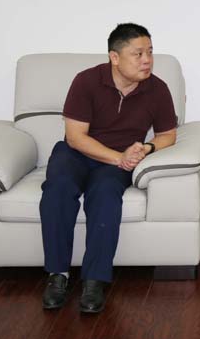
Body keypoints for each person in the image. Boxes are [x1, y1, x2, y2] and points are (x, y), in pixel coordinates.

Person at [40, 23, 177, 313]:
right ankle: (58, 274)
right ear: (114, 57)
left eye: (150, 52)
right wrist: (118, 158)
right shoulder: (86, 81)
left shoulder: (157, 89)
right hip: (77, 153)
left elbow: (168, 135)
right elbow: (75, 137)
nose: (147, 60)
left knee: (105, 195)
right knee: (58, 188)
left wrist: (147, 148)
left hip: (119, 161)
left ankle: (94, 280)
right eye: (138, 54)